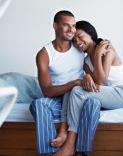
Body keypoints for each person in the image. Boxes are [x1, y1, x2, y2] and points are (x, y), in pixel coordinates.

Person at [54, 20, 123, 156]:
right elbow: (95, 85)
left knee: (76, 90)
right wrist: (86, 77)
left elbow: (100, 79)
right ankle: (66, 134)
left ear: (90, 33)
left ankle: (70, 143)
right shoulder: (85, 61)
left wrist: (98, 53)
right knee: (72, 88)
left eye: (80, 36)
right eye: (74, 40)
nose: (77, 42)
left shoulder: (107, 48)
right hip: (109, 94)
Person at [29, 10, 86, 154]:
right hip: (57, 100)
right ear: (55, 26)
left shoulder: (80, 46)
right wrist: (74, 83)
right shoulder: (44, 54)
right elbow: (47, 91)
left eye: (73, 26)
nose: (71, 30)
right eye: (66, 25)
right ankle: (48, 153)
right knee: (38, 104)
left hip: (77, 99)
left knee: (74, 93)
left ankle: (65, 135)